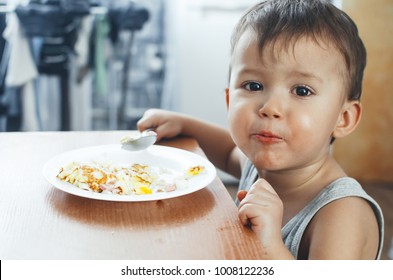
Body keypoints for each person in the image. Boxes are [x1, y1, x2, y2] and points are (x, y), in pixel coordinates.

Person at [137, 0, 384, 259]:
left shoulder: (342, 214)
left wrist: (271, 247)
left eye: (302, 90)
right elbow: (228, 150)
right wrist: (184, 123)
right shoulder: (259, 166)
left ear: (343, 118)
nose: (270, 107)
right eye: (253, 86)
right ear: (230, 100)